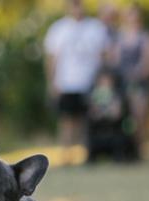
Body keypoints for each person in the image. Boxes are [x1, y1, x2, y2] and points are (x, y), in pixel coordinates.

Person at [44, 0, 109, 154]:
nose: (77, 8)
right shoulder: (58, 28)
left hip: (90, 82)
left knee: (88, 120)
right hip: (66, 82)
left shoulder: (95, 27)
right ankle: (66, 154)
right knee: (67, 120)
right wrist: (52, 82)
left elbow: (104, 54)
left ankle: (85, 153)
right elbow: (52, 58)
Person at [113, 5, 149, 152]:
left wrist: (135, 75)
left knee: (140, 117)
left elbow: (147, 63)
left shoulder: (145, 37)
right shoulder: (120, 36)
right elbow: (115, 60)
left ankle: (141, 148)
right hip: (122, 83)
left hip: (139, 84)